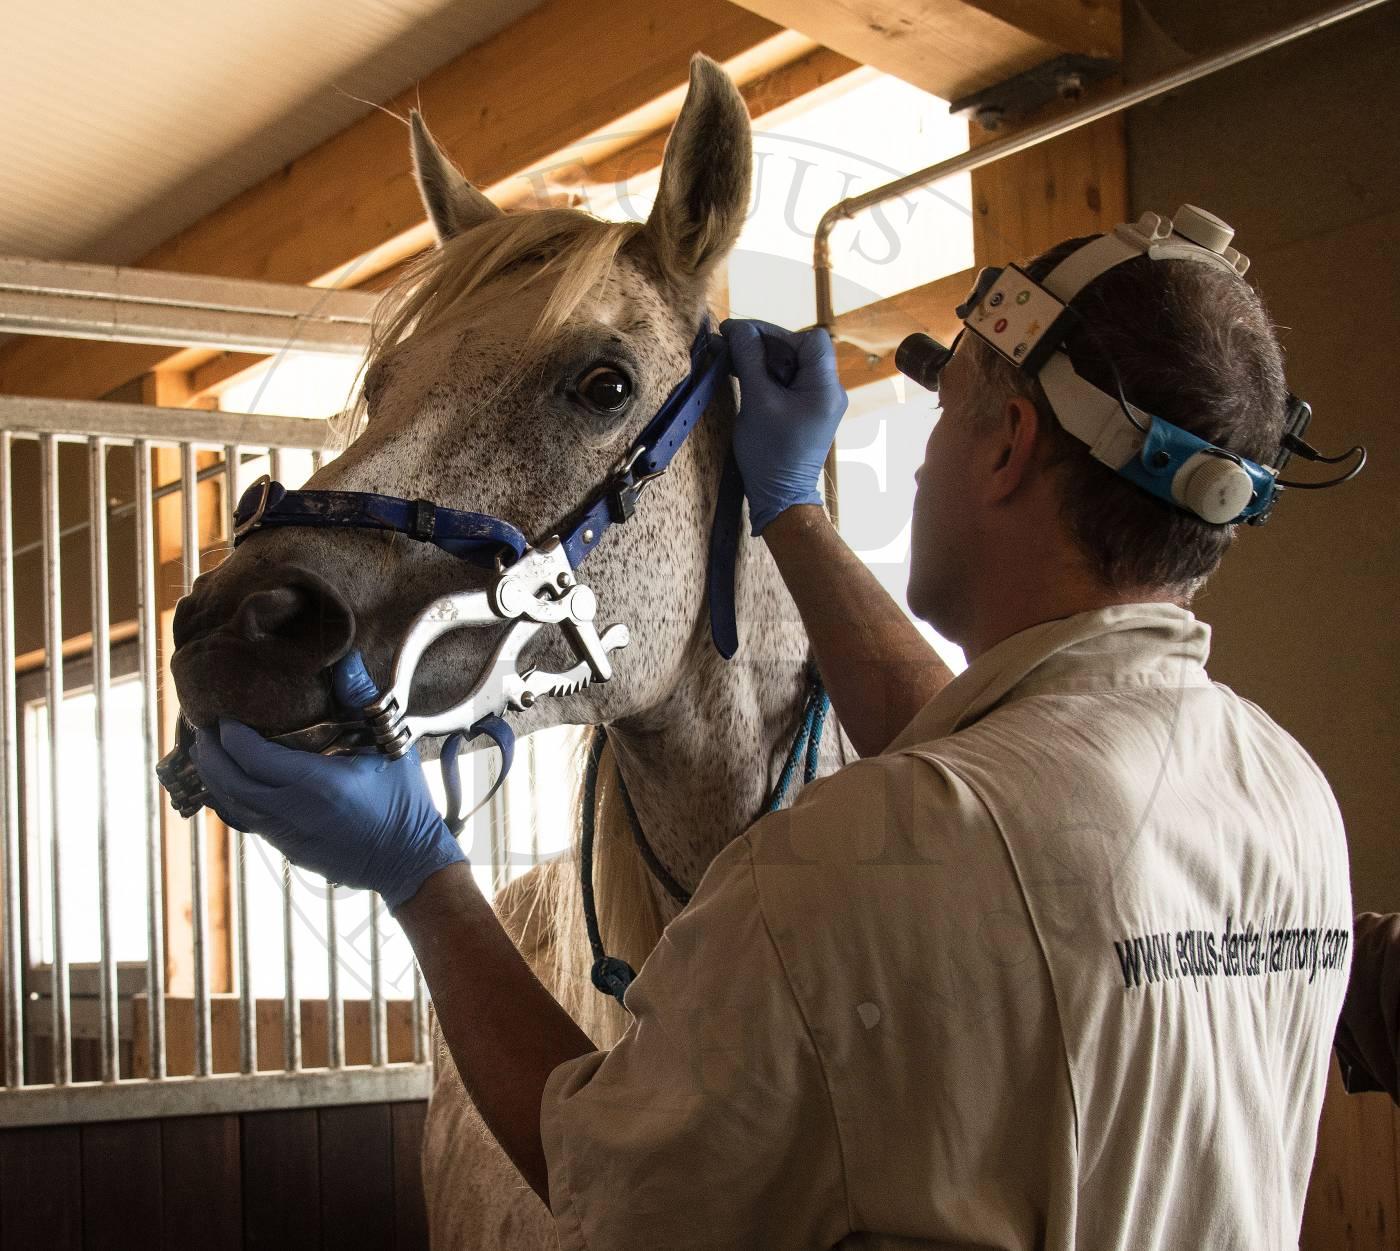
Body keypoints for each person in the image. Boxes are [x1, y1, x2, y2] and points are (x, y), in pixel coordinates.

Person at [190, 208, 1355, 1249]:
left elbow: (595, 1176)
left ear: (1002, 447)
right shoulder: (1285, 794)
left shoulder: (855, 858)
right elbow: (998, 780)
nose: (916, 461)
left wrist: (419, 875)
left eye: (946, 413)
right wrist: (788, 510)